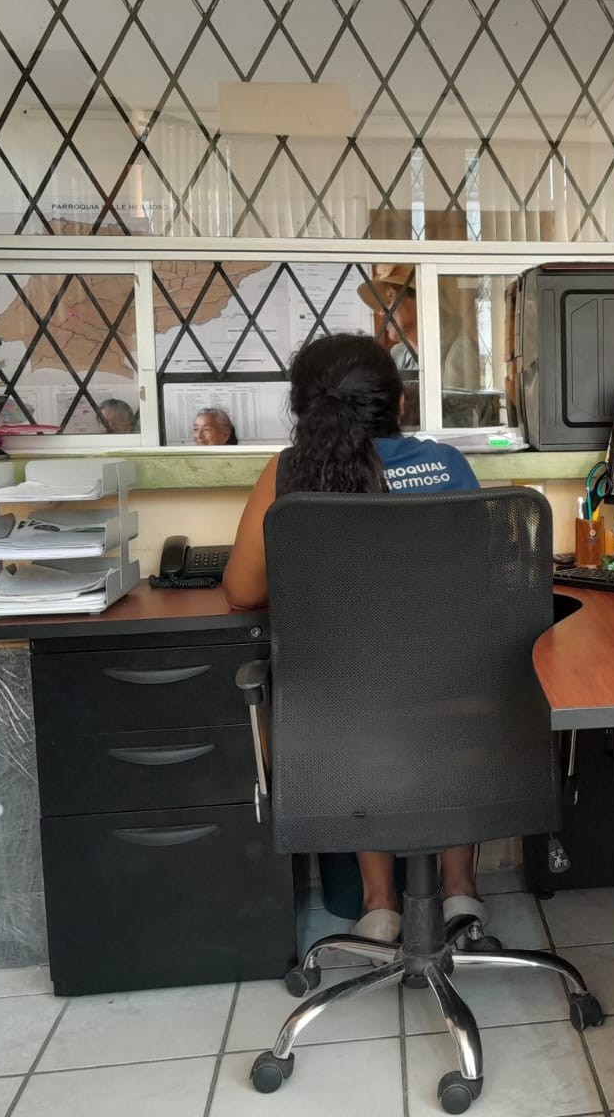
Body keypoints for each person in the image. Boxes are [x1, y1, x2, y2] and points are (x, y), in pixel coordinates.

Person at [221, 333, 485, 944]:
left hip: (342, 709)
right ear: (398, 400)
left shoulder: (289, 472)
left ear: (302, 406)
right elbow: (482, 583)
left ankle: (378, 905)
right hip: (455, 699)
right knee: (451, 705)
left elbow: (241, 591)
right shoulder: (447, 465)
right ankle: (461, 893)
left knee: (361, 707)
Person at [358, 265, 482, 393]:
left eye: (390, 297)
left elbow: (456, 405)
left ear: (420, 300)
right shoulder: (398, 354)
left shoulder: (459, 353)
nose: (382, 312)